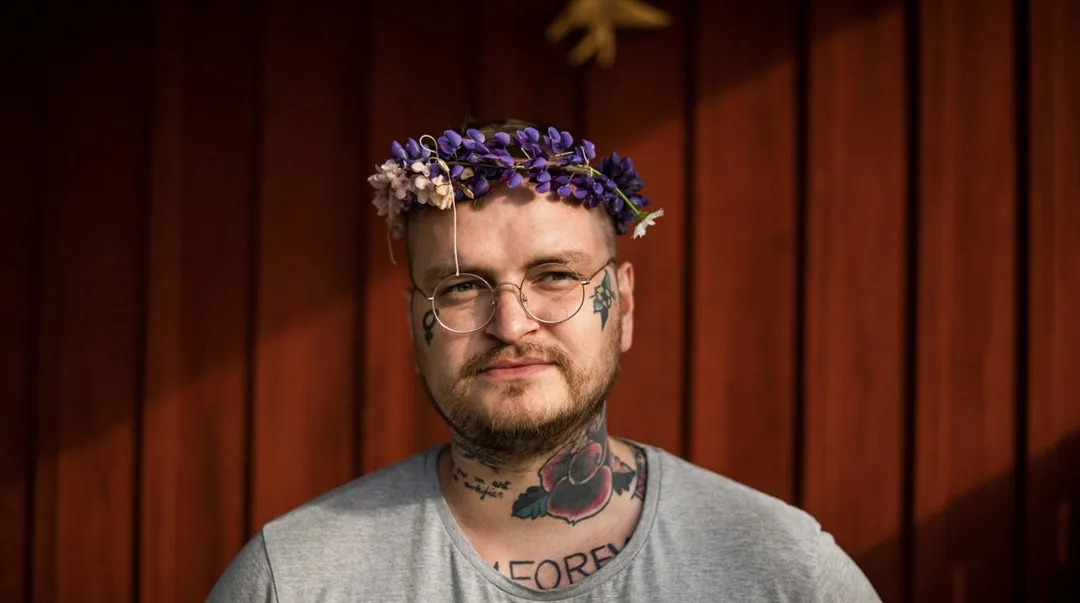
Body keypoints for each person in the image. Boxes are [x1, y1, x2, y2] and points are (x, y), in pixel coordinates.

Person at [207, 119, 881, 602]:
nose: (511, 323)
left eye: (555, 275)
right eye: (462, 286)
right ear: (416, 325)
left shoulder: (785, 571)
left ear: (623, 304)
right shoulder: (291, 579)